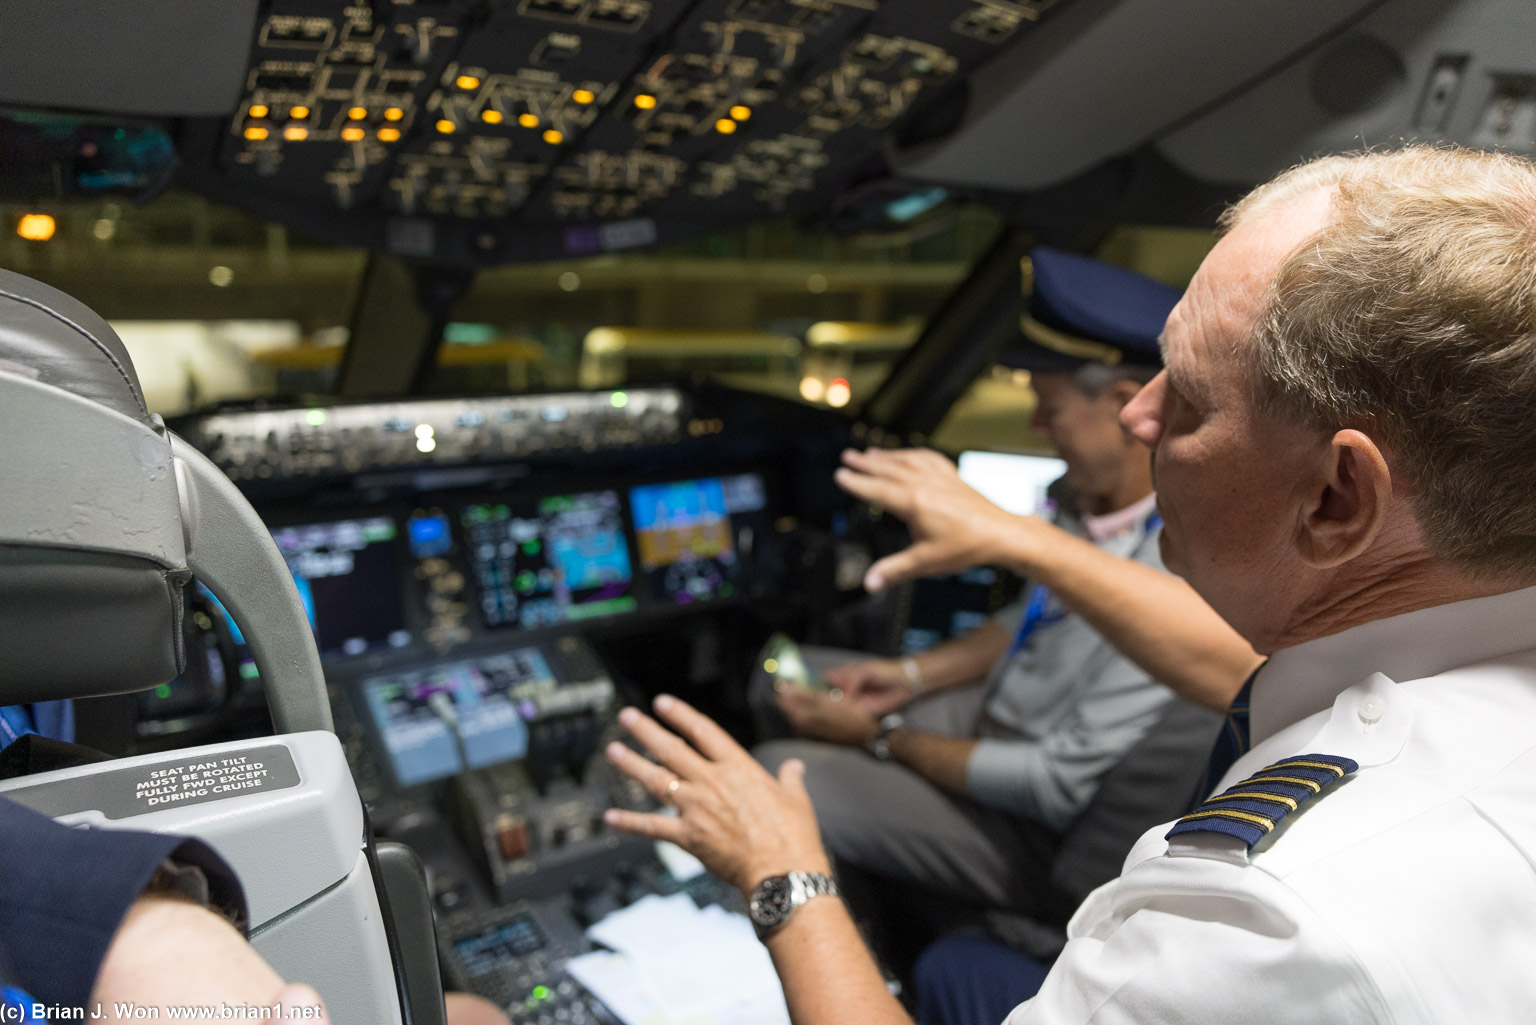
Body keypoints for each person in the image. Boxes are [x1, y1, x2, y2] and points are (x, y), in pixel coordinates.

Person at [600, 143, 1536, 1024]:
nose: (1140, 413)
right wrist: (919, 684)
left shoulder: (1275, 923)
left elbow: (1058, 779)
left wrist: (782, 869)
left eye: (1188, 397)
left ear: (1337, 501)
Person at [753, 249, 1254, 938]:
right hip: (1004, 714)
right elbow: (1030, 620)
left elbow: (1052, 783)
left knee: (778, 769)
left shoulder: (1179, 578)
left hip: (1032, 826)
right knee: (790, 676)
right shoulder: (1090, 508)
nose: (1035, 429)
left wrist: (881, 736)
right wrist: (907, 676)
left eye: (1049, 410)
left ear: (1121, 404)